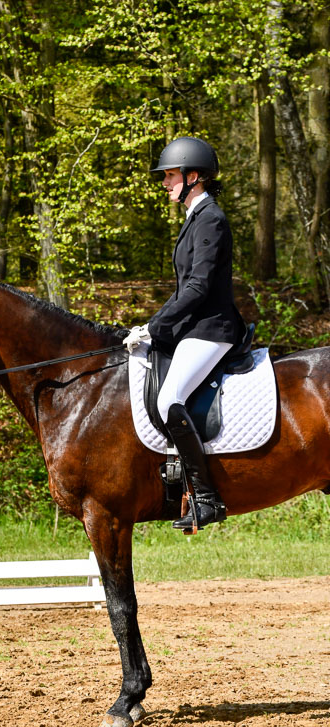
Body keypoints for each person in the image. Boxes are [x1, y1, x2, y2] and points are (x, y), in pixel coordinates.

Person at [124, 136, 247, 531]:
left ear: (194, 176)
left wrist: (155, 326)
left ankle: (207, 499)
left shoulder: (211, 218)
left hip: (213, 329)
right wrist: (157, 330)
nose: (165, 183)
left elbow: (197, 288)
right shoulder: (196, 217)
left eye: (171, 176)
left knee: (169, 398)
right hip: (194, 328)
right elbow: (184, 290)